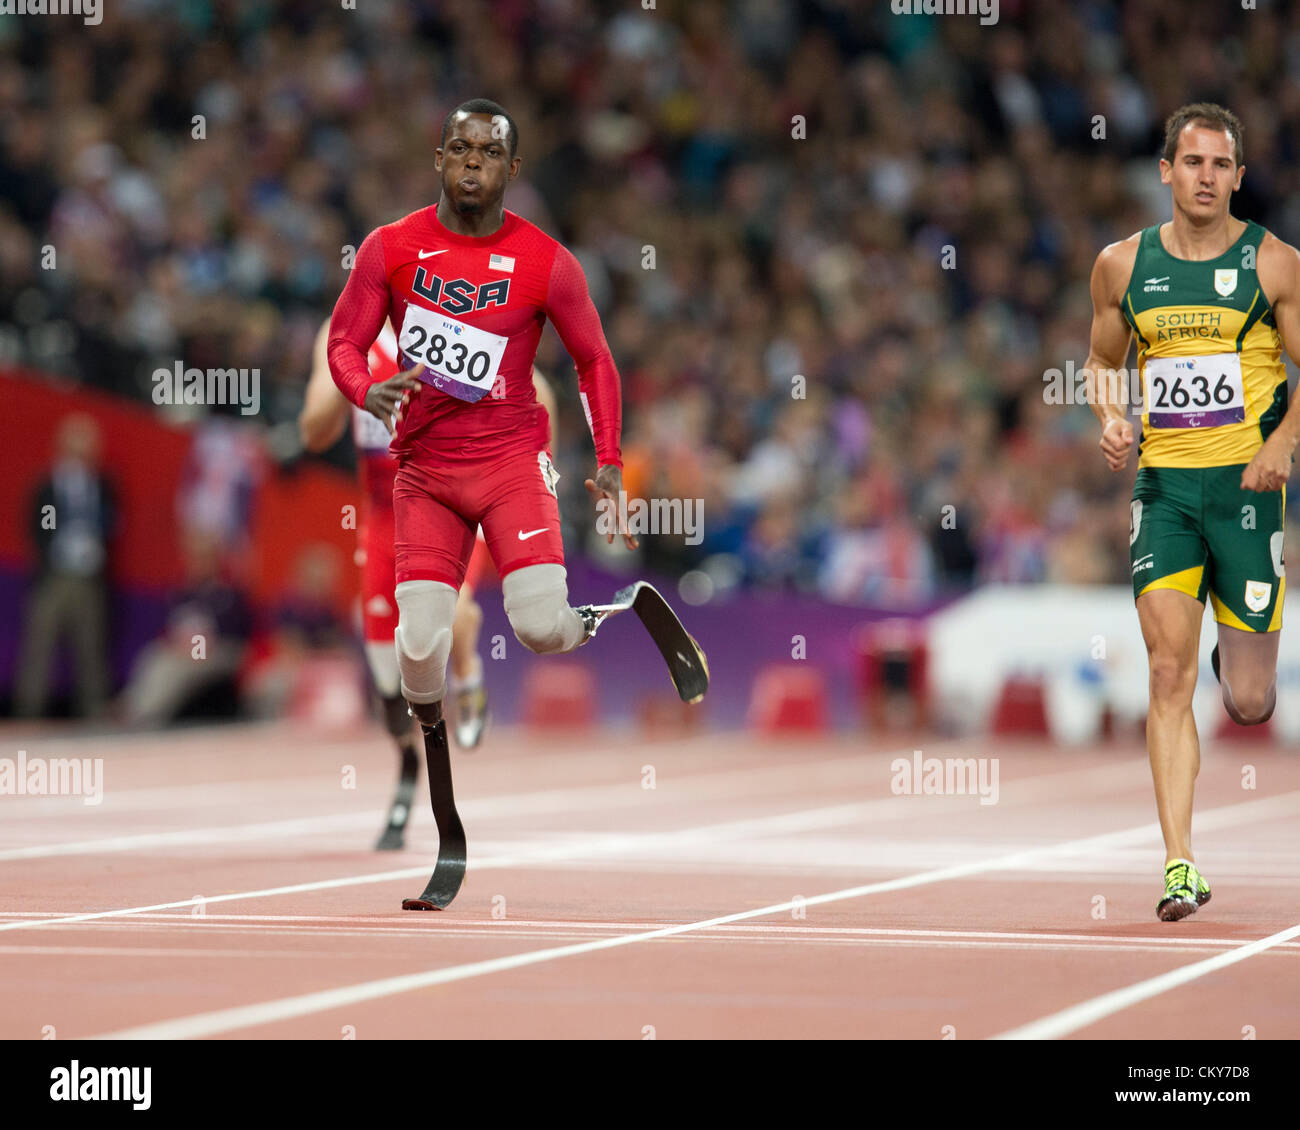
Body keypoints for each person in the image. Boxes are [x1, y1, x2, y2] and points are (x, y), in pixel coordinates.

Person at [327, 98, 638, 886]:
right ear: (438, 158)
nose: (472, 162)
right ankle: (434, 740)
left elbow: (595, 361)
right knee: (416, 654)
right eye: (459, 148)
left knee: (538, 627)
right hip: (425, 473)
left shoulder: (547, 261)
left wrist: (608, 460)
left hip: (508, 466)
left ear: (511, 170)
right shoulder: (390, 248)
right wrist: (367, 392)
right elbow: (343, 340)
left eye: (488, 152)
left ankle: (598, 616)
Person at [1084, 102, 1300, 920]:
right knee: (1165, 671)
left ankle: (1235, 664)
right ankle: (1180, 864)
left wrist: (1281, 442)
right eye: (1193, 162)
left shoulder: (1276, 264)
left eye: (1222, 165)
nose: (1206, 177)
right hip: (1166, 491)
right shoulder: (1120, 266)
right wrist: (1110, 416)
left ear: (1239, 177)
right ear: (1166, 171)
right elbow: (1103, 360)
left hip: (1246, 498)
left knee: (1248, 703)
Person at [301, 311, 559, 846]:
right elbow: (311, 431)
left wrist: (534, 468)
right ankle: (405, 770)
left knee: (449, 615)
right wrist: (350, 381)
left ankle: (466, 673)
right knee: (390, 683)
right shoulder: (345, 331)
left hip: (455, 501)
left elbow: (541, 393)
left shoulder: (463, 322)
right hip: (383, 520)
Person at [15, 414, 116, 719]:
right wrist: (56, 549)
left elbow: (110, 523)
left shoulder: (101, 486)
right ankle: (28, 713)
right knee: (39, 647)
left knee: (91, 649)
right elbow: (38, 526)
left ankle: (94, 712)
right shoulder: (49, 486)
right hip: (55, 577)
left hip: (89, 578)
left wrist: (95, 547)